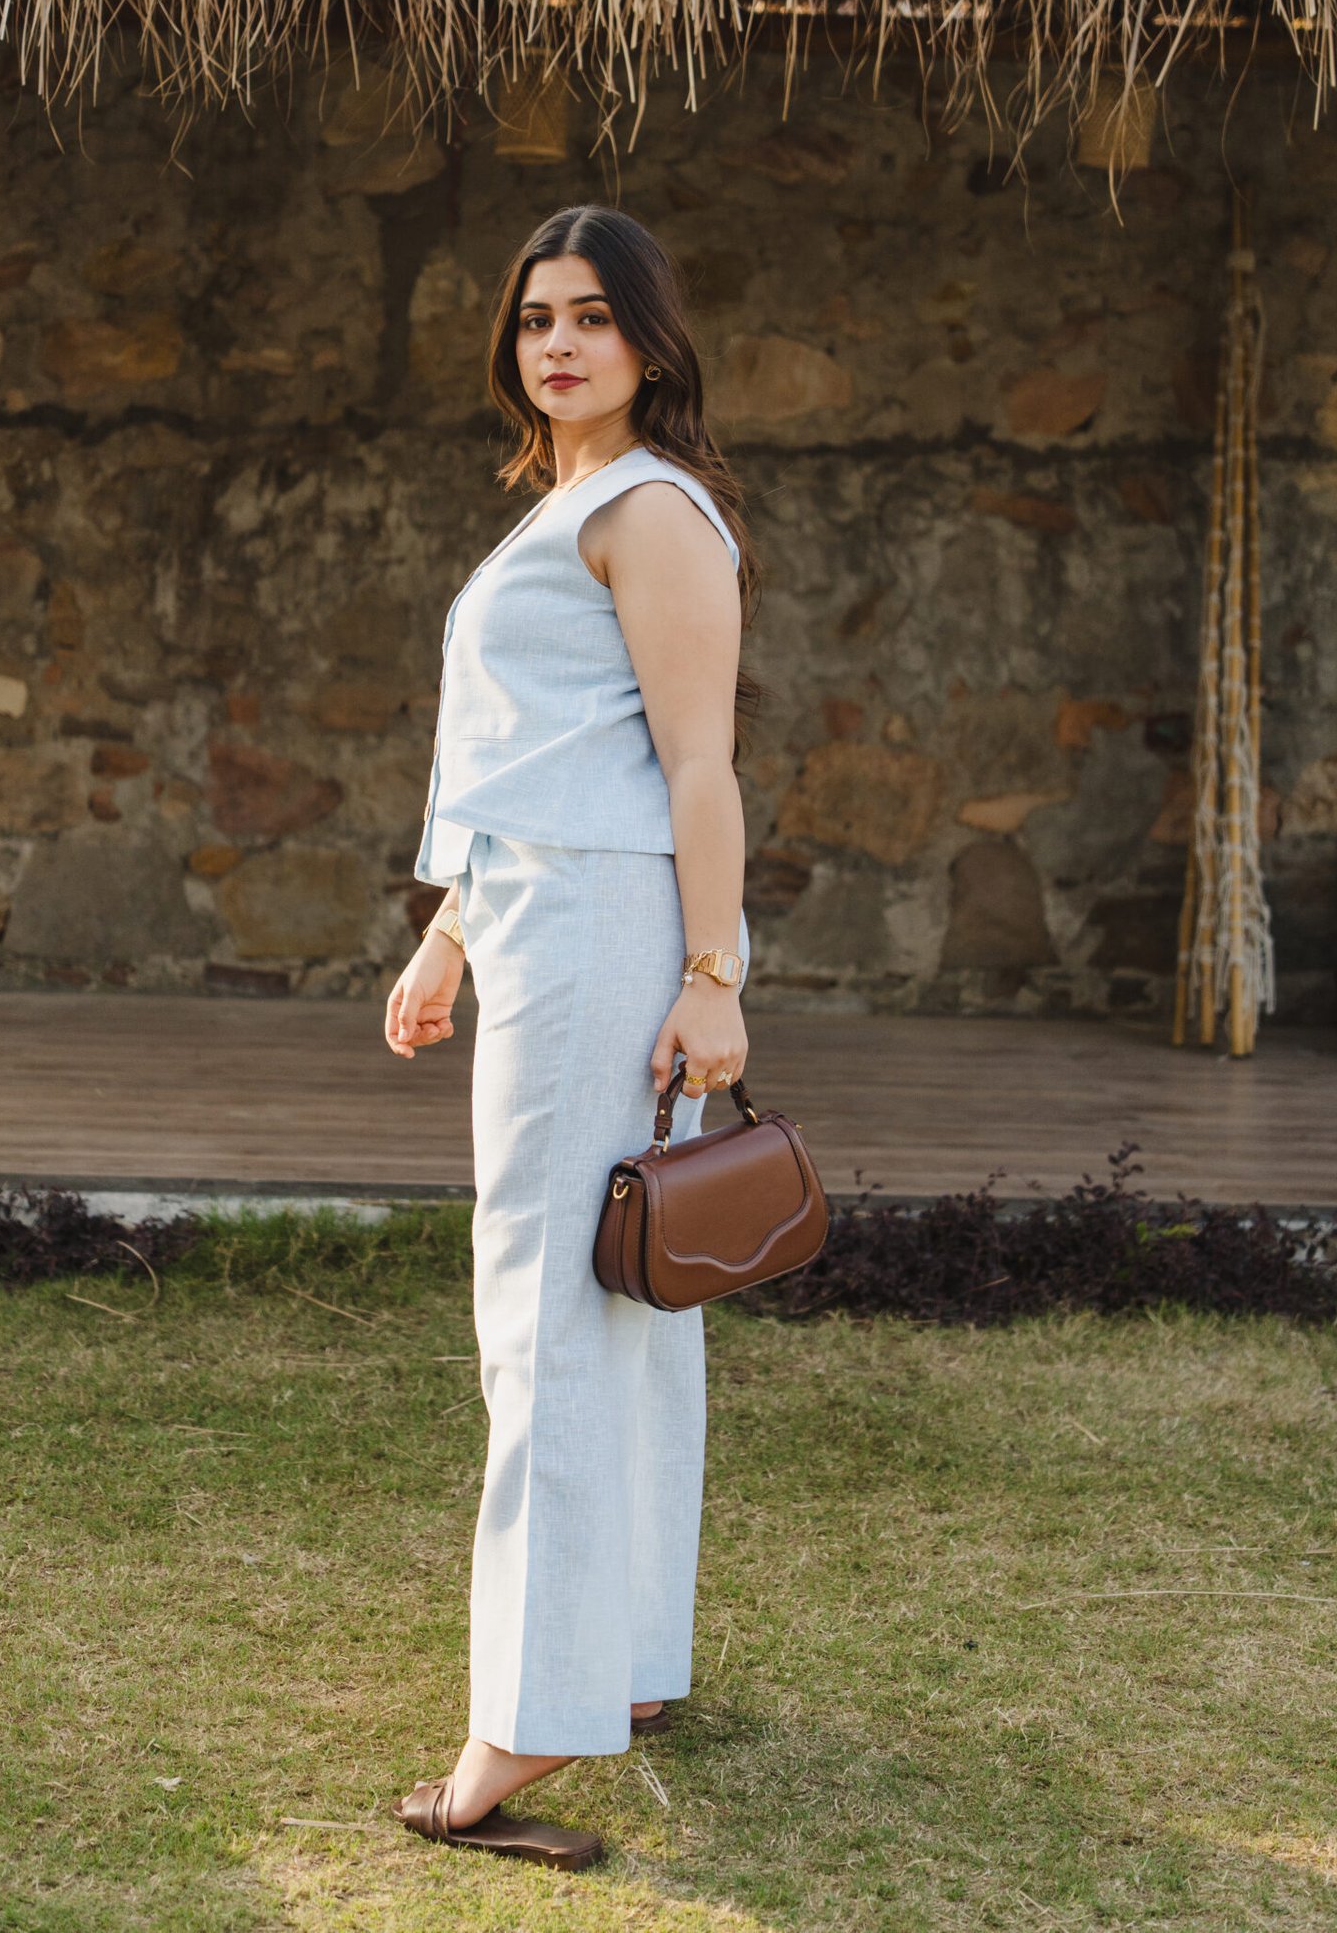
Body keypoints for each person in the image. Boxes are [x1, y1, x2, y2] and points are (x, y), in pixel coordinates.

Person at [382, 202, 763, 1872]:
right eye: (538, 316)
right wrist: (451, 930)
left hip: (609, 931)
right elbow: (537, 755)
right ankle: (630, 1656)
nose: (559, 342)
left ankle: (531, 1714)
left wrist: (712, 973)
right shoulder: (567, 503)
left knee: (549, 1308)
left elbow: (695, 767)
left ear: (649, 340)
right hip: (543, 913)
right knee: (623, 1292)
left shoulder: (650, 510)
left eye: (594, 315)